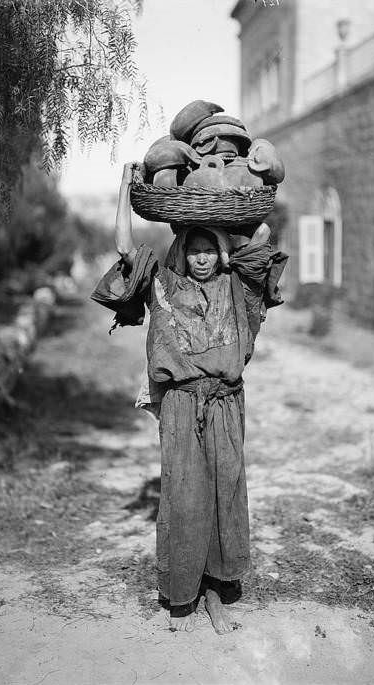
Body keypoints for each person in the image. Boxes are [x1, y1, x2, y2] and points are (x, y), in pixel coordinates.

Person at [91, 162, 288, 633]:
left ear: (221, 254)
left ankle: (219, 587)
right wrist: (125, 188)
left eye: (209, 249)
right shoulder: (163, 286)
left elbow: (261, 230)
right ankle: (182, 592)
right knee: (183, 493)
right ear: (181, 252)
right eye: (192, 249)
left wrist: (238, 188)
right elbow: (124, 248)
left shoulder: (238, 287)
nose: (200, 258)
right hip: (180, 405)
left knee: (225, 488)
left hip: (225, 401)